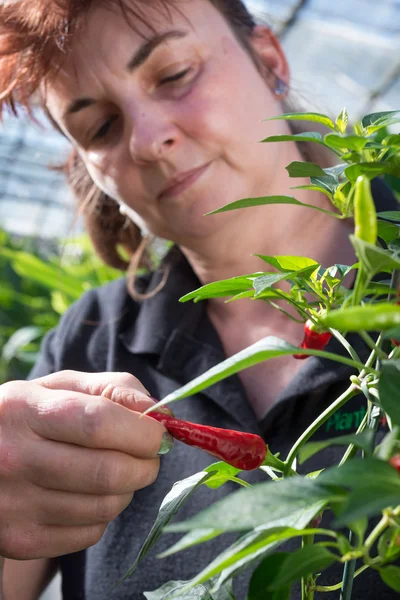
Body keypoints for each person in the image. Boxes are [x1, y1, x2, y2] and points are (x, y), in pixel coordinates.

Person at [0, 0, 397, 598]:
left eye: (174, 74)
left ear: (268, 60)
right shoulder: (93, 339)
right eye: (101, 127)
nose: (148, 139)